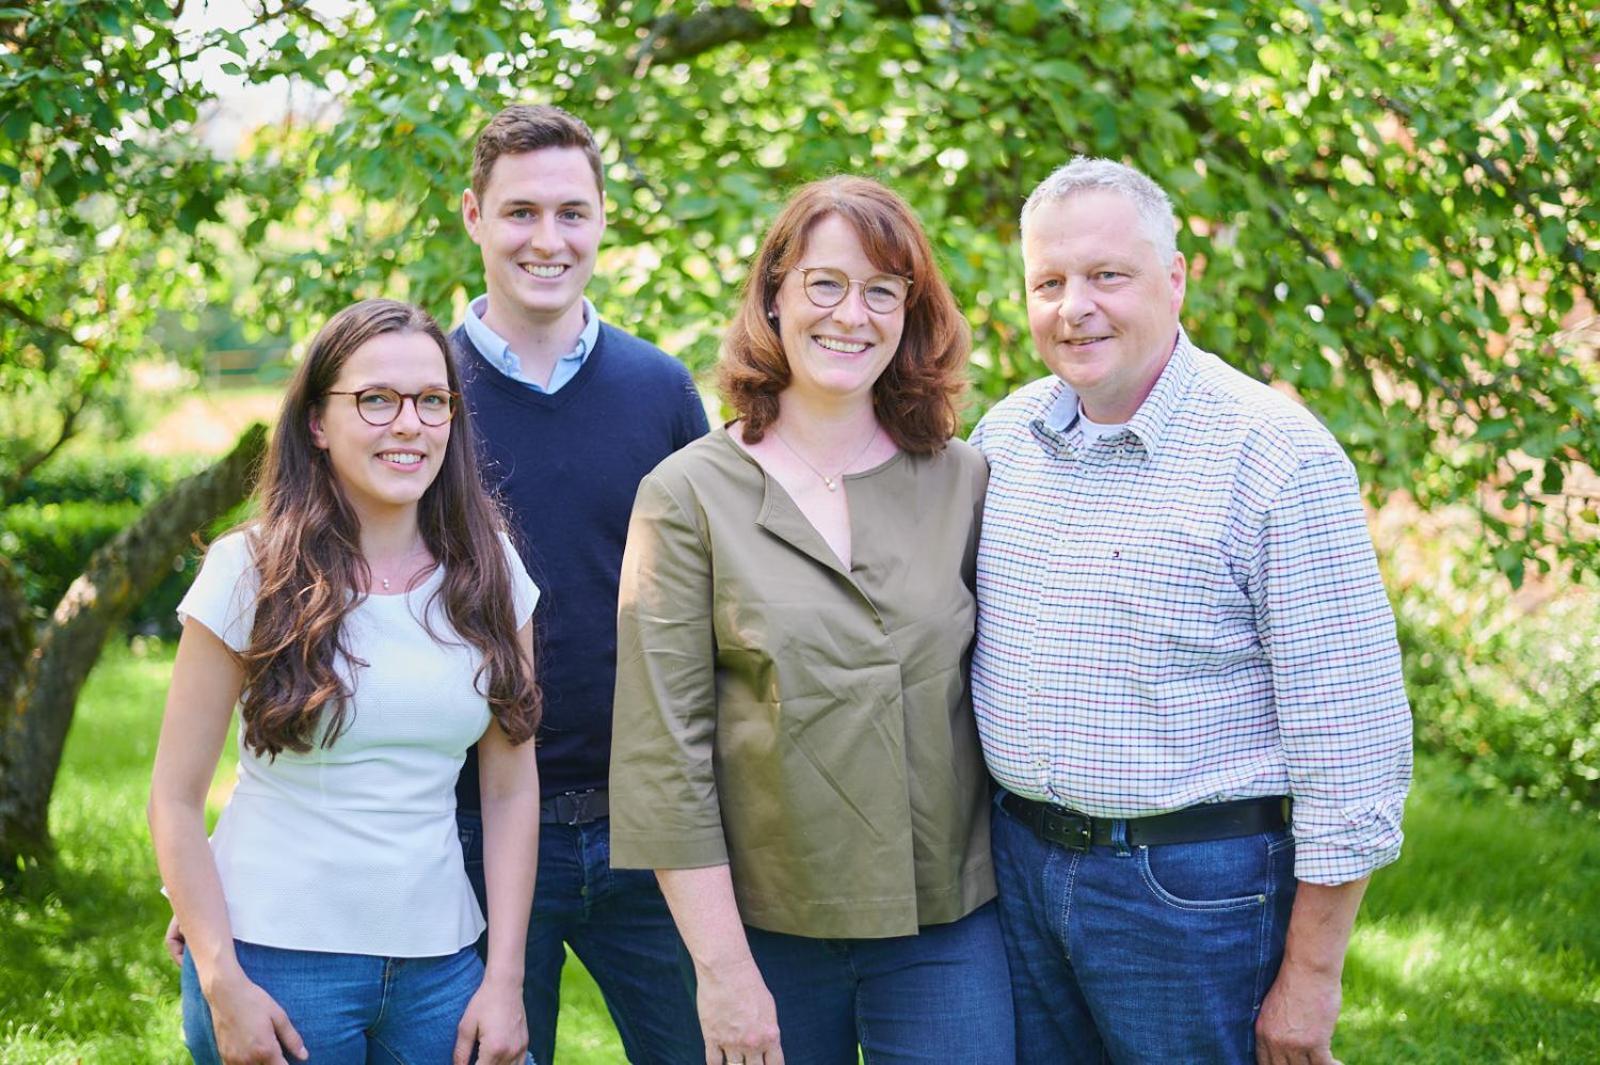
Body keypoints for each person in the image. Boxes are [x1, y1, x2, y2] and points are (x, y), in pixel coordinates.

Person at [970, 156, 1413, 1064]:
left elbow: (1353, 739)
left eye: (1107, 275)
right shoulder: (1004, 438)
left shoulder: (1275, 457)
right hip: (1016, 865)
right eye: (1047, 282)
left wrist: (1313, 977)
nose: (1073, 306)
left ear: (1176, 280)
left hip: (1189, 893)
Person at [610, 176, 1014, 1065]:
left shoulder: (966, 480)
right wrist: (721, 971)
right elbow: (662, 756)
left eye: (882, 290)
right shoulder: (687, 495)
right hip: (764, 935)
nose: (852, 314)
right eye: (824, 283)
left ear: (912, 313)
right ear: (775, 294)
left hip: (945, 926)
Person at [148, 299, 541, 1065]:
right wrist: (222, 976)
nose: (410, 423)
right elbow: (173, 796)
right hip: (275, 960)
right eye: (375, 399)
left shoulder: (490, 569)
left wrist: (505, 978)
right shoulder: (250, 571)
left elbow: (509, 787)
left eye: (432, 401)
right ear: (318, 423)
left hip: (444, 962)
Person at [452, 104, 708, 1064]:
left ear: (604, 219)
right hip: (471, 829)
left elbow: (714, 600)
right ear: (474, 216)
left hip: (650, 827)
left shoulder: (662, 389)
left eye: (572, 212)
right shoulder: (419, 396)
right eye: (520, 213)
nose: (546, 240)